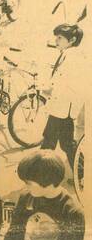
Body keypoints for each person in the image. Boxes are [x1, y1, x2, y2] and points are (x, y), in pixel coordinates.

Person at [41, 23, 85, 166]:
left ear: (71, 40)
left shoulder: (71, 56)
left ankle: (39, 175)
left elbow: (63, 81)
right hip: (64, 107)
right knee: (66, 143)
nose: (56, 41)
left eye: (59, 38)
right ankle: (81, 173)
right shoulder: (69, 54)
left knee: (49, 141)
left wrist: (46, 89)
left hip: (62, 107)